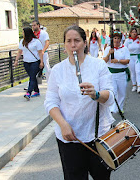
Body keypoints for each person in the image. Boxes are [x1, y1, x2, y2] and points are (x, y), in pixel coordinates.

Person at [44, 25, 115, 180]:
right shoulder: (57, 70)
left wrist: (96, 94)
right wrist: (63, 124)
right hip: (70, 136)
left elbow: (110, 97)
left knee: (102, 177)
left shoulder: (98, 65)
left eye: (77, 40)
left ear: (84, 43)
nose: (73, 45)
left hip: (99, 135)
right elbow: (51, 102)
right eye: (68, 41)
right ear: (64, 45)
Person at [103, 31, 130, 113]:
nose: (117, 40)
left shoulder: (124, 49)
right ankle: (112, 108)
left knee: (122, 92)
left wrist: (118, 61)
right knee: (113, 91)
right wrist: (109, 54)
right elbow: (104, 60)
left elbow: (127, 60)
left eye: (118, 38)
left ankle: (120, 107)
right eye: (115, 38)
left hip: (121, 73)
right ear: (112, 39)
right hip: (111, 73)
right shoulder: (108, 48)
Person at [14, 27, 44, 100]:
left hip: (35, 62)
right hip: (26, 62)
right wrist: (16, 60)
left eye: (23, 32)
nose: (22, 34)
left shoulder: (36, 41)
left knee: (32, 77)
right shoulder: (22, 41)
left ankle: (28, 93)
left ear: (27, 33)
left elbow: (40, 52)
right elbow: (19, 51)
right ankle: (36, 91)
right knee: (32, 77)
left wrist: (41, 62)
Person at [124, 28, 140, 93]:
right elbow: (125, 49)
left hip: (138, 57)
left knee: (138, 71)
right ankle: (134, 85)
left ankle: (139, 86)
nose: (134, 33)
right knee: (133, 72)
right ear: (130, 33)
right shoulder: (127, 40)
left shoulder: (139, 40)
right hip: (131, 57)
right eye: (132, 32)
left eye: (135, 32)